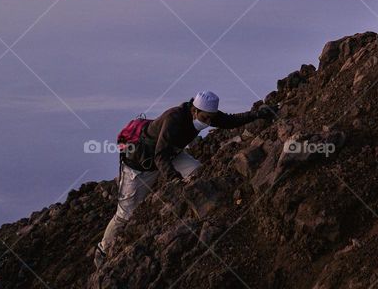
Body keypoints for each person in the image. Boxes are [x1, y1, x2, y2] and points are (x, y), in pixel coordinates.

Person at [95, 91, 277, 269]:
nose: (207, 123)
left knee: (196, 172)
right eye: (204, 118)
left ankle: (193, 210)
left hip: (170, 153)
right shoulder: (174, 119)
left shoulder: (208, 113)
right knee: (125, 214)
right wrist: (174, 179)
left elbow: (230, 121)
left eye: (210, 119)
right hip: (139, 166)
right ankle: (102, 250)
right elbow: (160, 155)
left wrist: (256, 114)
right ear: (194, 111)